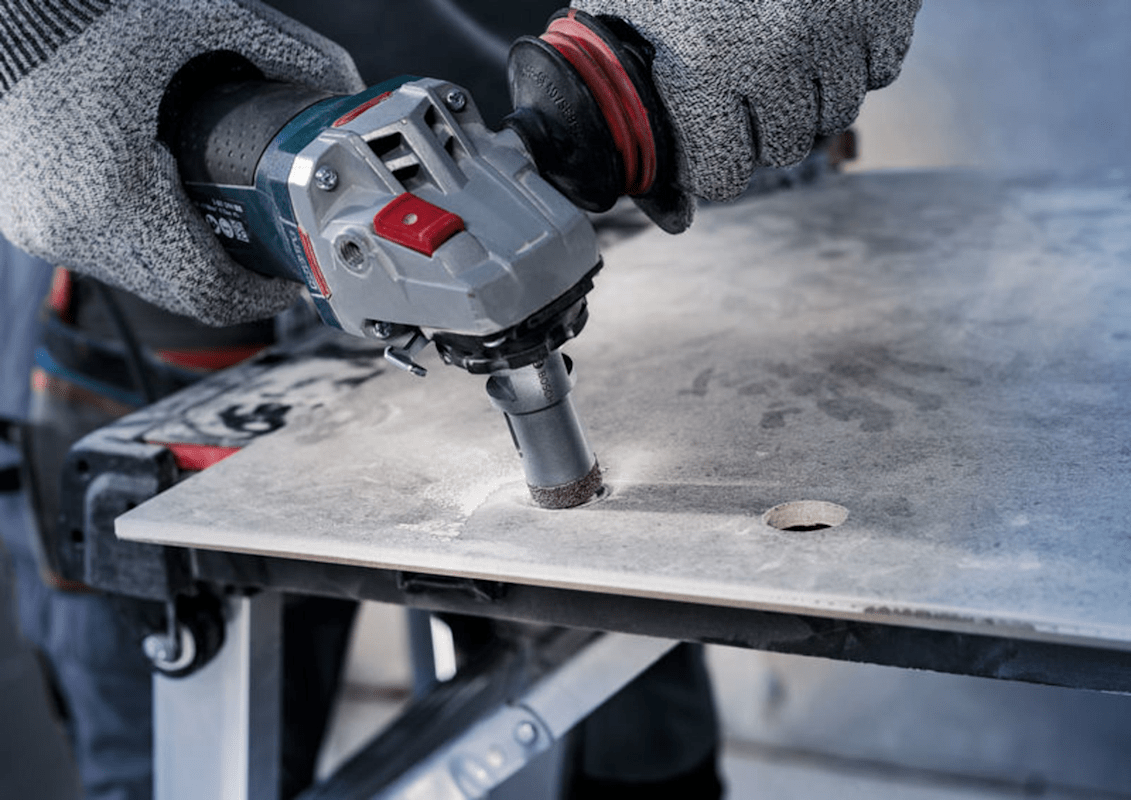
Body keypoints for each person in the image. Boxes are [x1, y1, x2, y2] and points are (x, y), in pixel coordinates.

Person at [0, 1, 922, 797]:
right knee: (193, 745)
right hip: (176, 193)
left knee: (624, 720)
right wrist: (40, 43)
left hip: (629, 147)